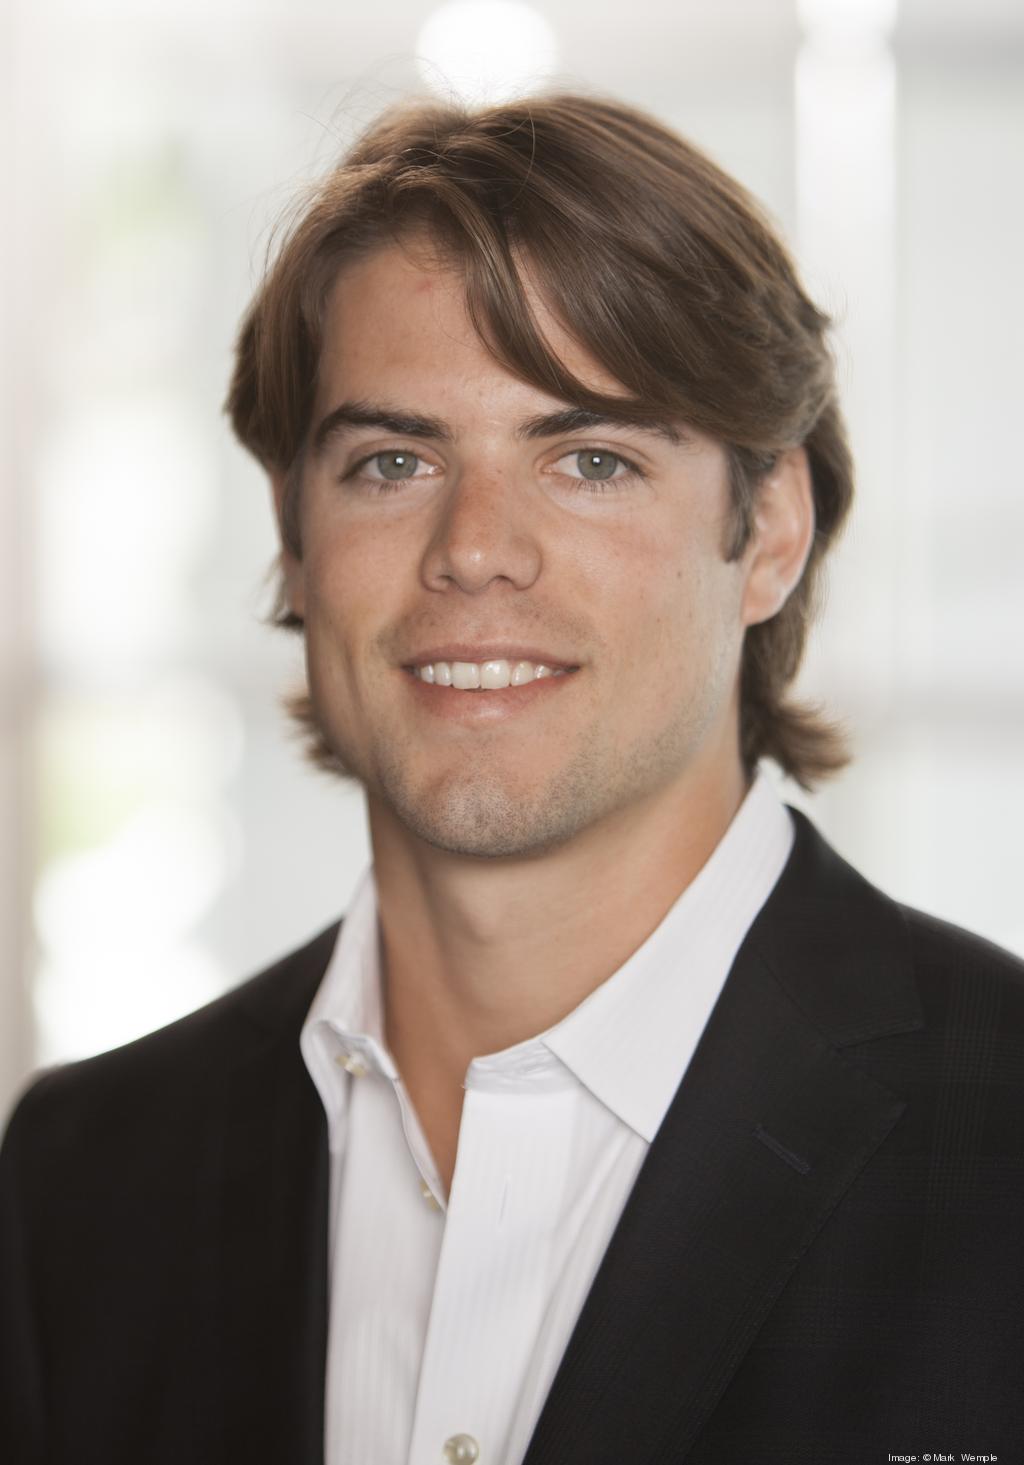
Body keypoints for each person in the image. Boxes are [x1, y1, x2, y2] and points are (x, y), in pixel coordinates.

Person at [2, 91, 1022, 1465]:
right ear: (295, 541)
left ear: (772, 531)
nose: (476, 548)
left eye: (590, 458)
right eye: (393, 461)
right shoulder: (82, 1181)